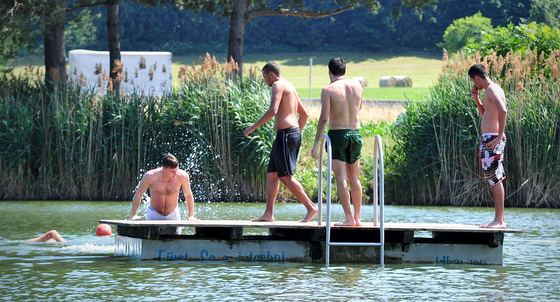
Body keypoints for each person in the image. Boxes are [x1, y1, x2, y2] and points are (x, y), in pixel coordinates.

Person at [244, 62, 318, 222]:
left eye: (265, 77)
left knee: (286, 177)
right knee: (272, 175)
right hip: (287, 135)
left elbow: (273, 111)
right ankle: (268, 214)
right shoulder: (290, 86)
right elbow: (304, 114)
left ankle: (311, 207)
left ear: (271, 74)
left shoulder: (277, 85)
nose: (265, 81)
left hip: (285, 135)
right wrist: (297, 133)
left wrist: (252, 127)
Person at [311, 57, 364, 226]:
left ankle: (348, 218)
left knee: (341, 178)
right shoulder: (358, 86)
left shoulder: (328, 90)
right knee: (354, 178)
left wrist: (317, 142)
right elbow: (359, 108)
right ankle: (358, 217)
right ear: (345, 72)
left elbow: (324, 119)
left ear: (329, 72)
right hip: (356, 134)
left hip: (338, 135)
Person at [469, 63, 508, 229]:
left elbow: (503, 111)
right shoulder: (492, 90)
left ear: (477, 77)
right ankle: (498, 219)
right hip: (489, 138)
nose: (474, 84)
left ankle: (499, 220)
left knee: (495, 179)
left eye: (473, 81)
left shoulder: (492, 89)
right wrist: (476, 99)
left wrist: (499, 137)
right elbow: (486, 115)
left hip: (493, 138)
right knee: (493, 179)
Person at [129, 154, 197, 225]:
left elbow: (188, 195)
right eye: (172, 171)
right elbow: (139, 194)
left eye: (176, 170)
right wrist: (134, 214)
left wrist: (191, 215)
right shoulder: (150, 176)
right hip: (154, 214)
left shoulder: (182, 176)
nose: (175, 173)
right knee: (152, 236)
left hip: (173, 214)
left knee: (176, 236)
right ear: (164, 169)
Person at [26, 224, 112, 243]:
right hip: (69, 244)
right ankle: (27, 242)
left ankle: (27, 242)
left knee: (53, 233)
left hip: (68, 243)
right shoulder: (108, 242)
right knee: (53, 234)